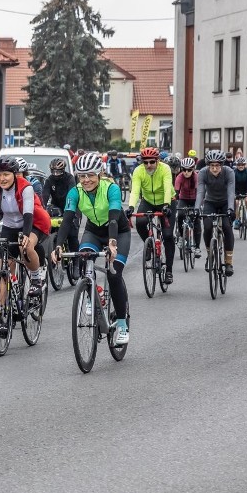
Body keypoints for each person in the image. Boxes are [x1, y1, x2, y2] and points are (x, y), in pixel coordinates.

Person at [52, 152, 131, 345]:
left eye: (90, 175)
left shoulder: (110, 188)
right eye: (82, 176)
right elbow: (67, 220)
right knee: (84, 259)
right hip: (94, 231)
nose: (86, 180)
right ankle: (93, 293)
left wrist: (112, 243)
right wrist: (58, 246)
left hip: (118, 231)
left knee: (113, 275)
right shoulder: (75, 192)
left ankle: (122, 324)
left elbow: (113, 217)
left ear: (100, 173)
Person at [0, 155, 51, 316]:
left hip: (34, 223)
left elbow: (28, 214)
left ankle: (36, 279)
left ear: (14, 174)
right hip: (10, 226)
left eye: (6, 174)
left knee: (25, 247)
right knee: (5, 265)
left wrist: (26, 235)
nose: (2, 178)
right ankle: (2, 310)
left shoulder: (25, 187)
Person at [125, 147, 176, 284]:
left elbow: (167, 187)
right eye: (145, 162)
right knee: (140, 222)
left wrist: (166, 205)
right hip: (148, 201)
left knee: (168, 235)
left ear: (158, 161)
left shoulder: (165, 169)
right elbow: (135, 191)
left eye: (152, 162)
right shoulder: (138, 171)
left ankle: (169, 271)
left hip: (167, 201)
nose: (148, 165)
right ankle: (148, 245)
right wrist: (130, 207)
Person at [195, 150, 236, 276]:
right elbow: (201, 191)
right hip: (210, 202)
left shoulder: (229, 172)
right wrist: (196, 208)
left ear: (222, 165)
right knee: (207, 227)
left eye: (217, 165)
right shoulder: (203, 172)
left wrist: (230, 209)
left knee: (227, 227)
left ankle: (228, 262)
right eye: (212, 165)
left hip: (225, 202)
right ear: (208, 165)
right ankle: (210, 255)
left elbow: (230, 192)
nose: (214, 168)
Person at [43, 157, 78, 252]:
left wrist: (70, 211)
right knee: (50, 227)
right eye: (53, 172)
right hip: (56, 207)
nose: (55, 174)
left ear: (63, 170)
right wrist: (42, 208)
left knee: (72, 234)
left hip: (71, 205)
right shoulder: (49, 180)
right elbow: (45, 195)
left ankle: (75, 262)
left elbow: (72, 193)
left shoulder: (69, 178)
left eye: (58, 172)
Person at [174, 157, 202, 257]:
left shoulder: (196, 177)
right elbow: (176, 193)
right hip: (184, 199)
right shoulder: (179, 177)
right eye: (184, 169)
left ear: (193, 169)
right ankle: (181, 237)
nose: (186, 172)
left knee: (196, 220)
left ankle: (197, 247)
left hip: (195, 199)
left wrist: (198, 207)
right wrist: (174, 204)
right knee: (180, 215)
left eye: (189, 170)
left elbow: (199, 192)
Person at [232, 158, 247, 229]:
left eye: (242, 165)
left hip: (246, 189)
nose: (240, 166)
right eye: (239, 165)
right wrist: (233, 193)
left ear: (245, 165)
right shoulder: (234, 171)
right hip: (237, 190)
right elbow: (232, 183)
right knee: (236, 202)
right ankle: (236, 220)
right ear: (237, 165)